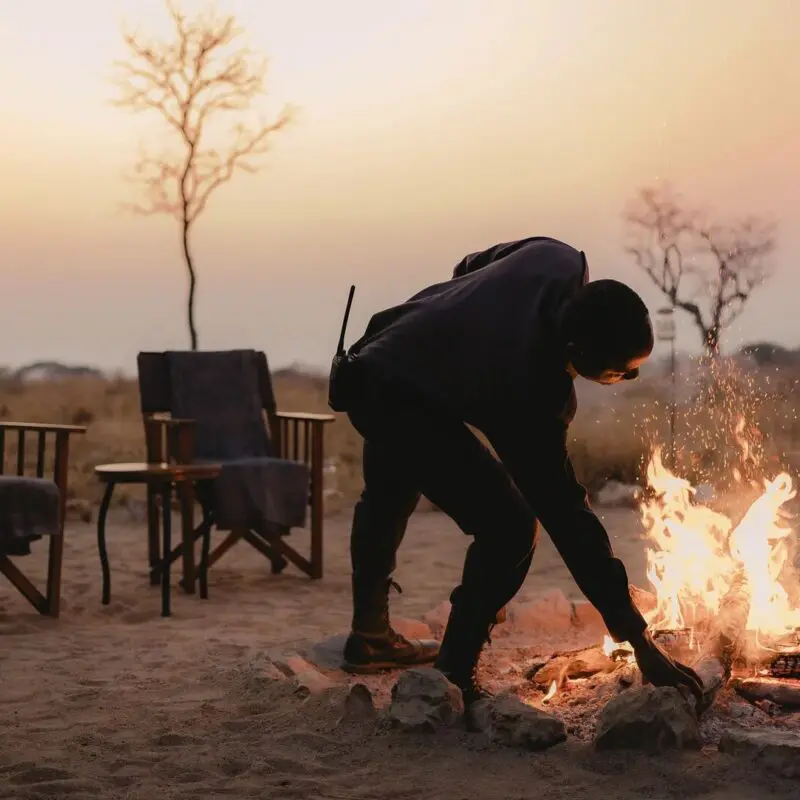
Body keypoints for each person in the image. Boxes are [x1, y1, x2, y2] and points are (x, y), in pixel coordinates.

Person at [328, 236, 704, 708]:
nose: (627, 380)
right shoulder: (529, 394)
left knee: (390, 491)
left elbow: (468, 264)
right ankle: (452, 673)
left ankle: (369, 638)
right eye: (621, 371)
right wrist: (640, 642)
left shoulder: (555, 258)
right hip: (388, 390)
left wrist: (454, 343)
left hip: (383, 355)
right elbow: (570, 524)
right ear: (580, 356)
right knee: (509, 527)